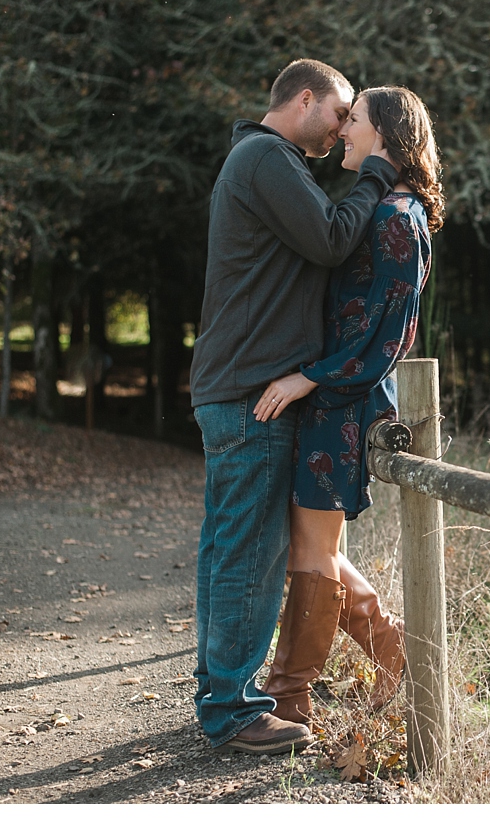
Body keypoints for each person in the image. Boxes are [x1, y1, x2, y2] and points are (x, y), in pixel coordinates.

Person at [188, 59, 399, 755]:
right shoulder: (268, 157)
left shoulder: (260, 160)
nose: (343, 126)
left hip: (237, 386)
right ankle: (234, 709)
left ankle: (220, 691)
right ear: (304, 99)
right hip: (252, 392)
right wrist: (375, 173)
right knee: (250, 555)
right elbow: (334, 238)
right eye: (340, 112)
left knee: (228, 549)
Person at [251, 86, 441, 725]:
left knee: (311, 548)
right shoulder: (383, 208)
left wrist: (312, 377)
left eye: (353, 121)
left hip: (347, 400)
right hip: (335, 396)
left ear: (384, 136)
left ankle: (290, 694)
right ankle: (394, 650)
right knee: (314, 544)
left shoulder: (397, 218)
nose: (342, 132)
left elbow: (390, 333)